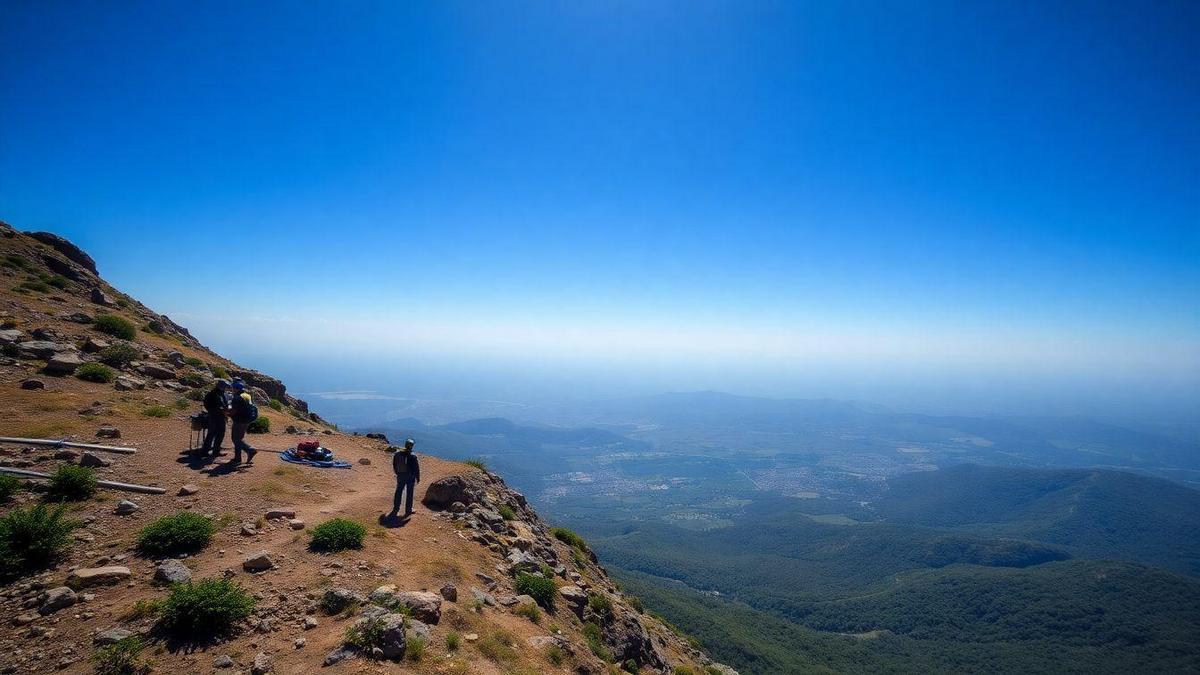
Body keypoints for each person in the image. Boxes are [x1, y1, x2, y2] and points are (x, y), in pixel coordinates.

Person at [388, 438, 420, 518]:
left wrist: (397, 473)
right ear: (412, 446)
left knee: (398, 491)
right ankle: (408, 510)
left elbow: (394, 464)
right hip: (410, 477)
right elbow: (416, 468)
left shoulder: (398, 454)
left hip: (401, 476)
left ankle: (396, 509)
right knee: (410, 493)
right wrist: (418, 477)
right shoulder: (413, 456)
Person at [228, 380, 259, 463]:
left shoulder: (237, 397)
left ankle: (250, 449)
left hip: (239, 420)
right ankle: (237, 458)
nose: (231, 390)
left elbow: (234, 411)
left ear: (236, 388)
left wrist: (226, 413)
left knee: (235, 439)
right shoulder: (247, 395)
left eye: (232, 388)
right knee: (239, 438)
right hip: (247, 419)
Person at [199, 380, 230, 456]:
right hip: (214, 416)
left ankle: (214, 451)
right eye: (225, 386)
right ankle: (206, 451)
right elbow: (209, 405)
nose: (226, 388)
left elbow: (225, 404)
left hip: (221, 416)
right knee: (212, 433)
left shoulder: (223, 394)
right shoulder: (213, 394)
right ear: (221, 386)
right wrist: (219, 410)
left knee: (219, 434)